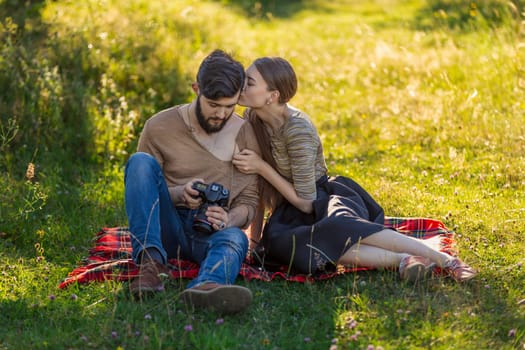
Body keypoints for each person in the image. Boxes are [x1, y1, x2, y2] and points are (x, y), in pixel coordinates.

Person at [232, 56, 476, 282]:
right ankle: (404, 261)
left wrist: (262, 167)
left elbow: (307, 202)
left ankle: (447, 261)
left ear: (271, 96)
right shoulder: (253, 118)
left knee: (338, 226)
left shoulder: (297, 130)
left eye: (249, 82)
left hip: (321, 198)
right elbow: (259, 185)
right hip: (289, 208)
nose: (242, 85)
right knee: (282, 246)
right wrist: (255, 241)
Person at [124, 49, 260, 313]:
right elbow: (144, 186)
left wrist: (229, 219)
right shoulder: (159, 126)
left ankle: (206, 287)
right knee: (139, 161)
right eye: (213, 105)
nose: (221, 115)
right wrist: (179, 194)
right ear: (197, 89)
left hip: (210, 233)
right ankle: (150, 265)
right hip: (166, 228)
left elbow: (249, 201)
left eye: (230, 106)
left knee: (235, 238)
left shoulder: (244, 133)